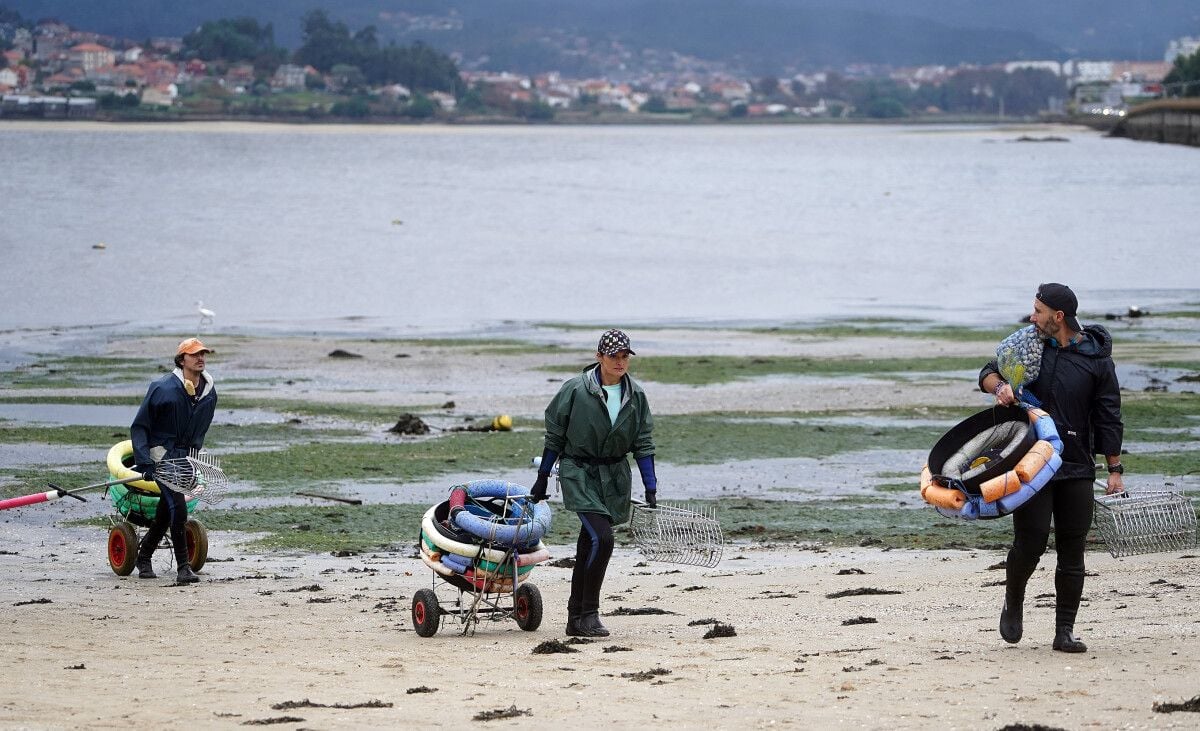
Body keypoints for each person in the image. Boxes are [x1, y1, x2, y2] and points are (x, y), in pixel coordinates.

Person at [979, 283, 1123, 653]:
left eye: (1039, 311)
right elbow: (987, 373)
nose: (1032, 316)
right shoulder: (1027, 345)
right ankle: (1013, 600)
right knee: (1031, 542)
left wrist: (1115, 469)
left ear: (1058, 317)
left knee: (1073, 549)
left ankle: (1065, 631)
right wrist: (1000, 389)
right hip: (1030, 464)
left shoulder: (1096, 360)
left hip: (1076, 464)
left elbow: (1108, 416)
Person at [531, 329, 658, 637]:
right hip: (579, 472)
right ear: (599, 356)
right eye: (613, 355)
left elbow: (643, 443)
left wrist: (650, 486)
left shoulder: (636, 395)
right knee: (604, 538)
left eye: (625, 356)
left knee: (589, 542)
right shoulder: (574, 390)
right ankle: (589, 612)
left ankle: (576, 619)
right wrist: (542, 478)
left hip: (614, 476)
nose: (620, 361)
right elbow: (555, 437)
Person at [130, 338, 218, 584]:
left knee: (165, 513)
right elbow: (139, 426)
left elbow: (202, 427)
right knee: (178, 508)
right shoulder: (162, 388)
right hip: (161, 457)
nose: (200, 358)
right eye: (194, 355)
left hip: (185, 459)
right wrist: (145, 461)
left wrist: (193, 454)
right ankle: (183, 568)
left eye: (203, 354)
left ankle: (144, 554)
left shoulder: (210, 393)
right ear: (182, 360)